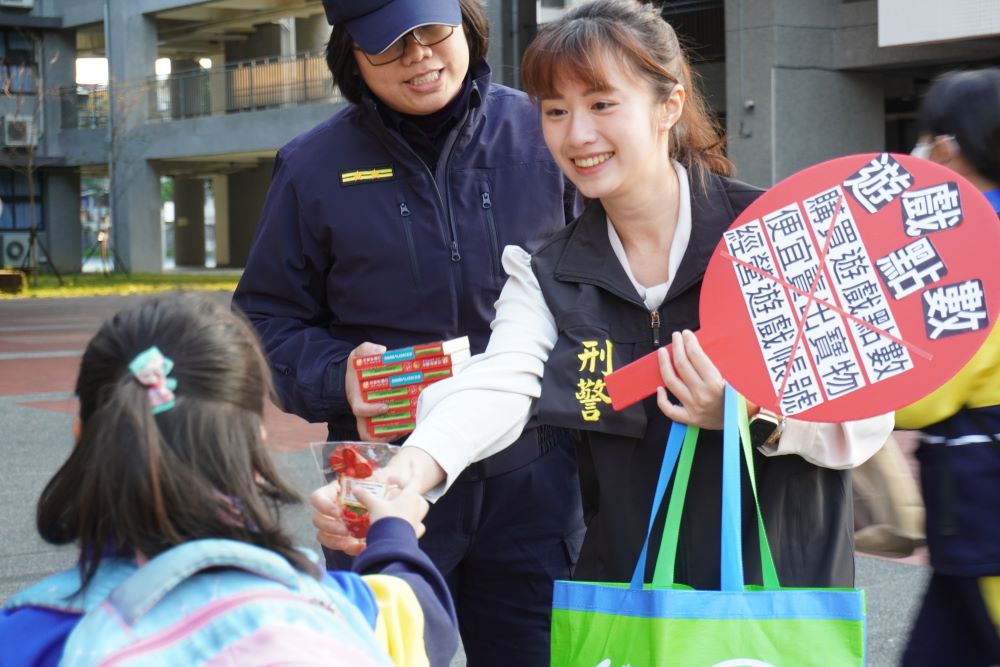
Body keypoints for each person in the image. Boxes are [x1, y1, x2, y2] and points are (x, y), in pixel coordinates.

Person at [314, 0, 893, 591]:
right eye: (556, 111)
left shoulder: (781, 234)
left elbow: (869, 416)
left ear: (668, 105)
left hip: (777, 592)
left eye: (602, 104)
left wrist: (755, 415)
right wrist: (408, 472)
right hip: (629, 597)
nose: (578, 134)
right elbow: (501, 382)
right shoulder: (545, 272)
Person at [231, 1, 585, 664]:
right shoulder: (311, 168)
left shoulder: (545, 133)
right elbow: (260, 321)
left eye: (432, 32)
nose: (419, 56)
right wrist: (335, 373)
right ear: (352, 55)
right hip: (376, 478)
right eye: (391, 44)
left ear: (467, 25)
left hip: (533, 479)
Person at [0, 294, 457, 667]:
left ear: (83, 437)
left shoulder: (26, 635)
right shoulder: (335, 606)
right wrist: (391, 534)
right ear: (255, 446)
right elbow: (422, 620)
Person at [896, 68, 1000, 667]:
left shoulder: (974, 237)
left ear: (953, 144)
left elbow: (932, 392)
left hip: (985, 514)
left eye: (930, 136)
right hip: (969, 523)